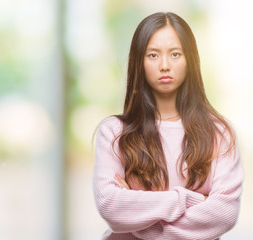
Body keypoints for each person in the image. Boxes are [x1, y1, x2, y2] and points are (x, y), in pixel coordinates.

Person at [92, 12, 244, 240]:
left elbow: (224, 213)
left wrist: (139, 220)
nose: (164, 65)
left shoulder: (219, 133)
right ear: (139, 62)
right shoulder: (114, 132)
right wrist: (188, 199)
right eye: (153, 55)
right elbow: (111, 206)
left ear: (190, 60)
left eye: (175, 54)